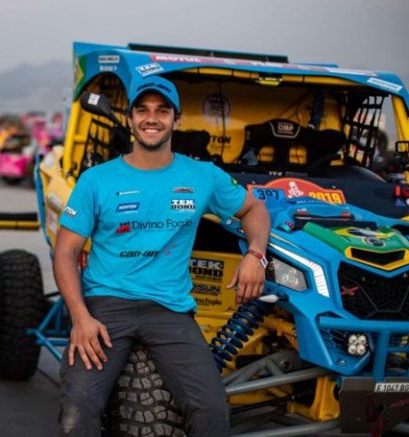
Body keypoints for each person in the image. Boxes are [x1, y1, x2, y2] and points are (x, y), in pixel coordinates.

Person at [53, 75, 270, 437]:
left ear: (176, 120)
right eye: (142, 110)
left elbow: (254, 210)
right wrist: (80, 317)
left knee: (211, 409)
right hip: (106, 305)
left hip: (169, 309)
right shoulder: (96, 179)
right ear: (130, 119)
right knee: (79, 409)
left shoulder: (202, 176)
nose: (151, 118)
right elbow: (65, 252)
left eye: (162, 110)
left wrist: (256, 255)